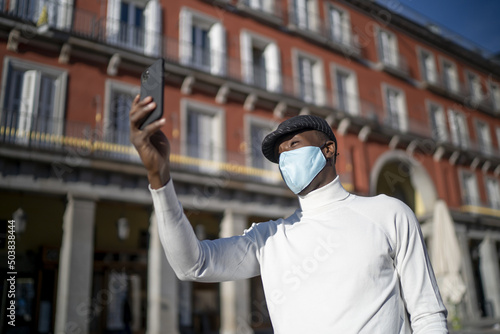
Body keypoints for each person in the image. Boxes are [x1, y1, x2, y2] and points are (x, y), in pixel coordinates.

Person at [130, 95, 448, 333]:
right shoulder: (270, 238)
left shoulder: (388, 213)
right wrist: (159, 178)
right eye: (280, 155)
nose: (286, 159)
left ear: (328, 150)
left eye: (294, 145)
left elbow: (428, 313)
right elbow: (193, 265)